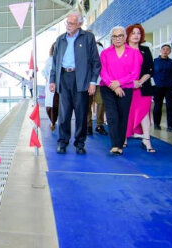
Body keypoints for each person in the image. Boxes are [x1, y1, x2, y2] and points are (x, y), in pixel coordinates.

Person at [49, 10, 101, 154]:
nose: (68, 25)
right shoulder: (60, 39)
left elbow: (96, 62)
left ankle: (80, 143)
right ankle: (62, 142)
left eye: (72, 23)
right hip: (64, 77)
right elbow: (55, 62)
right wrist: (52, 80)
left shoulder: (88, 38)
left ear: (80, 24)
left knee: (81, 113)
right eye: (67, 23)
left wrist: (93, 82)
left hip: (81, 79)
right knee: (64, 114)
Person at [99, 26, 141, 155]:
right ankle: (114, 145)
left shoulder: (134, 53)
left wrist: (120, 83)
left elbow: (135, 73)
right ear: (111, 38)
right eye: (114, 36)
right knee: (112, 116)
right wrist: (114, 86)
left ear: (125, 37)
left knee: (123, 116)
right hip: (107, 88)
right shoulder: (105, 53)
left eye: (120, 35)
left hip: (126, 88)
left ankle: (120, 143)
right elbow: (102, 71)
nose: (117, 38)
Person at [124, 24, 156, 152]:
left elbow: (151, 69)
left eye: (138, 33)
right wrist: (131, 82)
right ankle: (123, 138)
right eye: (133, 33)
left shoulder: (145, 50)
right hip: (127, 87)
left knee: (144, 113)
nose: (136, 35)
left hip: (144, 87)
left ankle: (146, 139)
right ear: (127, 35)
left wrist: (140, 81)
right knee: (126, 112)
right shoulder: (122, 50)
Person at [152, 45, 172, 132]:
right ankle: (156, 124)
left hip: (170, 87)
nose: (165, 51)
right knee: (157, 106)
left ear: (170, 52)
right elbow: (150, 74)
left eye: (167, 50)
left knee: (171, 107)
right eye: (163, 49)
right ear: (160, 50)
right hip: (158, 87)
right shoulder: (155, 61)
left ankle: (170, 126)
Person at [43, 43, 59, 131]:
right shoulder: (49, 60)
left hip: (61, 86)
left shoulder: (63, 59)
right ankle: (53, 121)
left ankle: (56, 121)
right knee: (50, 105)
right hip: (51, 86)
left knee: (59, 104)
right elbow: (45, 72)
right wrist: (48, 80)